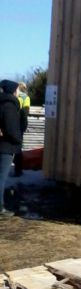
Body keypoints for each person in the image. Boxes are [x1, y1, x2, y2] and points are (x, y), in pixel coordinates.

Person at [0, 80, 22, 216]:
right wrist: (18, 140)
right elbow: (12, 129)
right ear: (13, 91)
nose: (19, 92)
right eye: (18, 89)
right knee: (1, 178)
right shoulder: (9, 106)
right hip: (6, 147)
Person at [14, 82, 30, 177]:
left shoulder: (19, 97)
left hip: (17, 124)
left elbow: (25, 111)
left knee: (17, 148)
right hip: (19, 124)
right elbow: (26, 112)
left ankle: (18, 170)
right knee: (18, 148)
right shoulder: (25, 98)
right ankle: (18, 170)